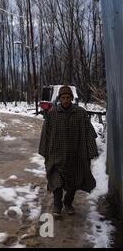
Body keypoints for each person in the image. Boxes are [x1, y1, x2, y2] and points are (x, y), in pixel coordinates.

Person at [38, 85, 99, 217]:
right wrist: (45, 151)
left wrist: (91, 151)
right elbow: (45, 134)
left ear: (72, 98)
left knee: (73, 183)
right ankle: (57, 205)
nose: (65, 100)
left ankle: (68, 203)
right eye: (63, 98)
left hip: (75, 156)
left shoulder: (80, 113)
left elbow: (89, 132)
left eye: (68, 97)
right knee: (56, 182)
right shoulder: (52, 113)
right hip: (56, 155)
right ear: (59, 99)